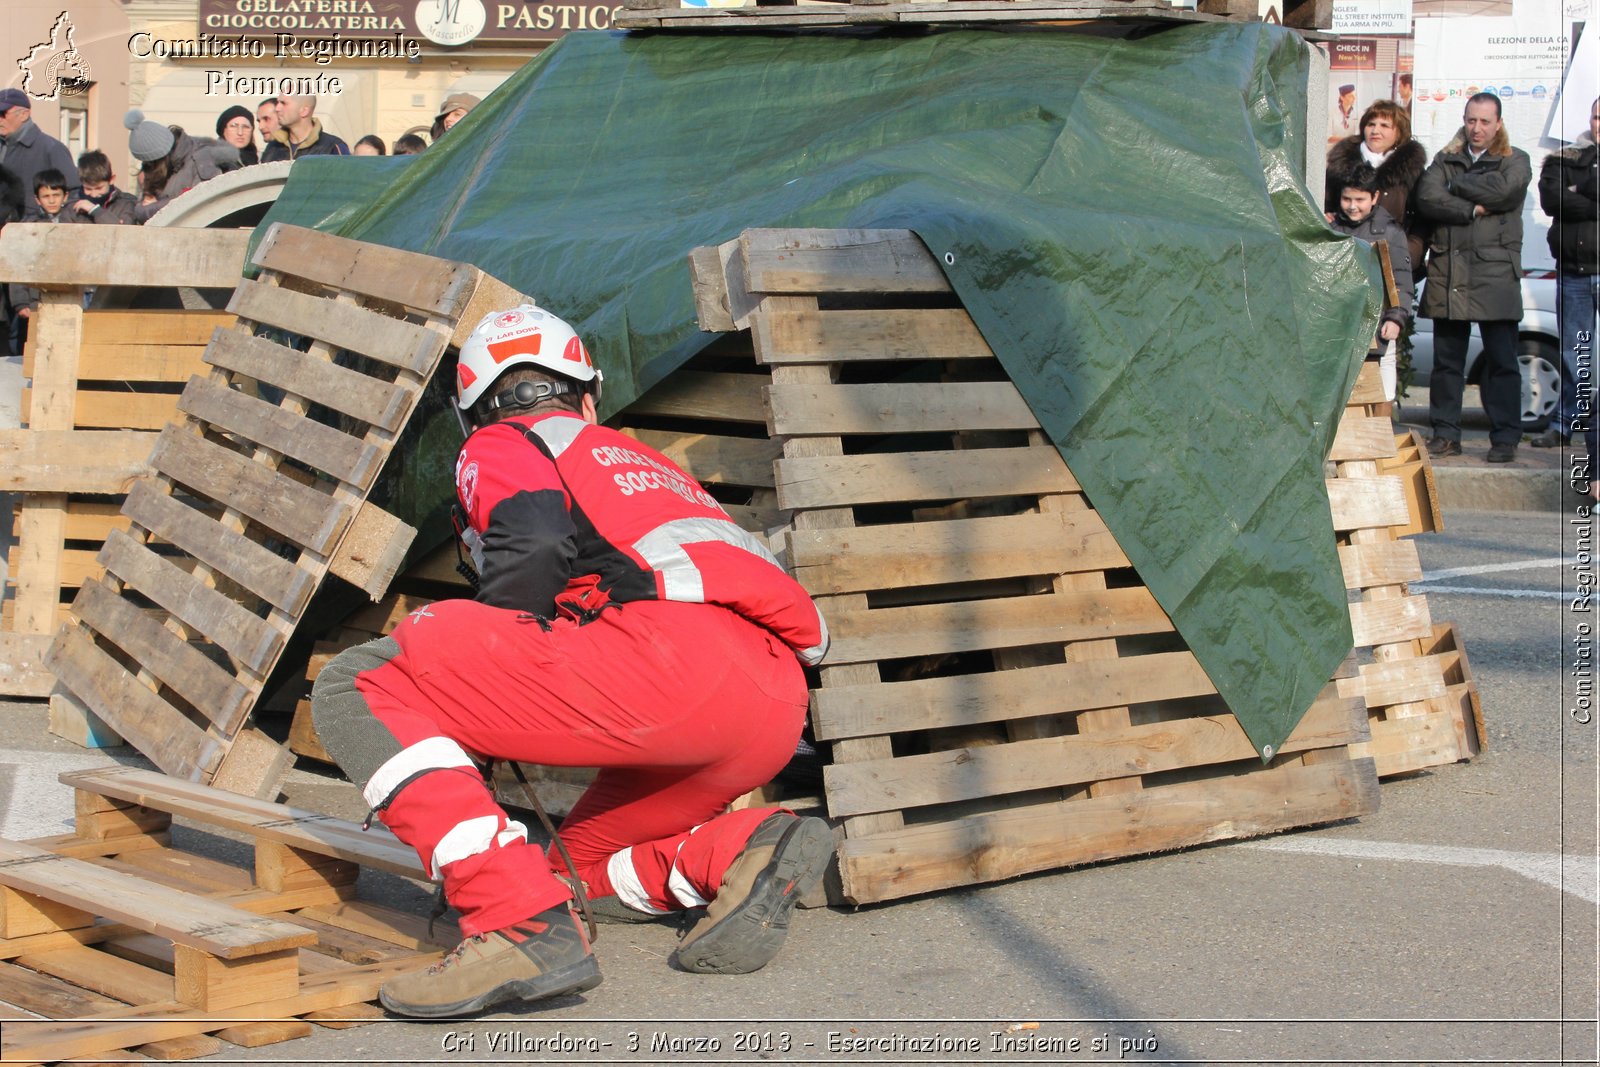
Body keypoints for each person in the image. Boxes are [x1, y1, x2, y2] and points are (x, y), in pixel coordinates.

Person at [311, 306, 832, 1019]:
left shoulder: (505, 439)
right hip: (769, 703)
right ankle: (743, 845)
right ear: (588, 394)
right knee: (570, 870)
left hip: (669, 670)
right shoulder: (644, 465)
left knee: (358, 681)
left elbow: (532, 537)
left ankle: (514, 920)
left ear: (477, 414)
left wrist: (486, 689)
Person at [1415, 92, 1533, 463]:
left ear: (1498, 123)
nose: (1476, 128)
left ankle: (1505, 439)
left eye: (1484, 121)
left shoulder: (1515, 159)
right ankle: (1446, 435)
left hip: (1496, 274)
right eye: (1471, 120)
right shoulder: (1445, 159)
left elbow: (1506, 191)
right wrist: (1472, 207)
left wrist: (1456, 186)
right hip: (1449, 272)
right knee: (1447, 364)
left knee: (1502, 363)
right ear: (1464, 120)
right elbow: (1426, 198)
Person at [1531, 96, 1599, 449]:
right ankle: (1565, 425)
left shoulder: (1577, 173)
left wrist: (1583, 187)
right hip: (1574, 272)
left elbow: (1570, 197)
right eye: (1598, 117)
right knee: (1576, 353)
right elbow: (1552, 200)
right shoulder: (1563, 159)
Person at [1330, 163, 1413, 406]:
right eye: (1346, 199)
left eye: (1359, 199)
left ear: (1375, 197)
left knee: (1382, 389)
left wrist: (1395, 318)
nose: (1352, 206)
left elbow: (1401, 281)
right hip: (1341, 325)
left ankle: (1382, 430)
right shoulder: (1332, 229)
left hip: (1379, 325)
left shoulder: (1391, 233)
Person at [1326, 98, 1428, 270]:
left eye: (1384, 126)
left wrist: (1410, 252)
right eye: (1371, 124)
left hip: (1393, 258)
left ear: (1400, 132)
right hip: (1346, 260)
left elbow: (1422, 219)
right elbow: (1326, 203)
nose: (1375, 130)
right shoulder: (1341, 165)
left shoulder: (1411, 171)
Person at [8, 168, 88, 354]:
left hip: (72, 294)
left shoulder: (76, 222)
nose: (51, 200)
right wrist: (21, 302)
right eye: (46, 196)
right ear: (37, 199)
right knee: (38, 345)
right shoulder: (29, 228)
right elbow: (19, 265)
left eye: (56, 195)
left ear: (65, 196)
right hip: (38, 297)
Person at [124, 110, 240, 223]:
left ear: (159, 157)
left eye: (150, 162)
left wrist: (149, 207)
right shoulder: (160, 168)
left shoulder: (200, 160)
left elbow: (198, 203)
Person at [0, 88, 78, 199]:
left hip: (35, 216)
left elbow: (74, 193)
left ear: (24, 114)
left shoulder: (51, 148)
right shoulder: (2, 145)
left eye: (2, 113)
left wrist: (48, 215)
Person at [260, 95, 349, 162]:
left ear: (304, 111)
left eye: (283, 103)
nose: (277, 108)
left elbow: (346, 183)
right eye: (278, 103)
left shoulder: (333, 147)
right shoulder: (273, 147)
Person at [69, 150, 138, 225]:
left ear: (111, 179)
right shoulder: (72, 206)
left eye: (99, 188)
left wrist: (95, 211)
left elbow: (122, 233)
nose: (94, 194)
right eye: (88, 189)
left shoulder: (127, 204)